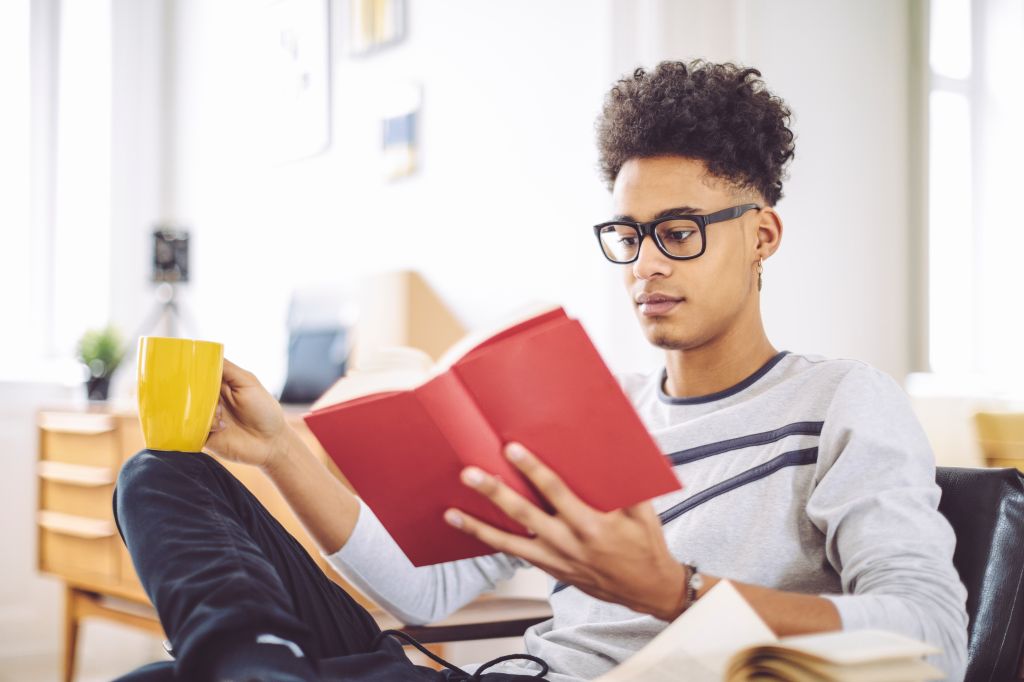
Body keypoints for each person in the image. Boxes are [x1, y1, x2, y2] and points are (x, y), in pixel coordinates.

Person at [113, 60, 968, 682]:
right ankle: (255, 669)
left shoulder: (843, 401)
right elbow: (428, 591)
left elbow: (932, 629)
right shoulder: (602, 410)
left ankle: (247, 669)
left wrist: (675, 591)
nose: (645, 267)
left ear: (762, 236)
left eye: (679, 232)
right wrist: (279, 452)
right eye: (628, 236)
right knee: (160, 476)